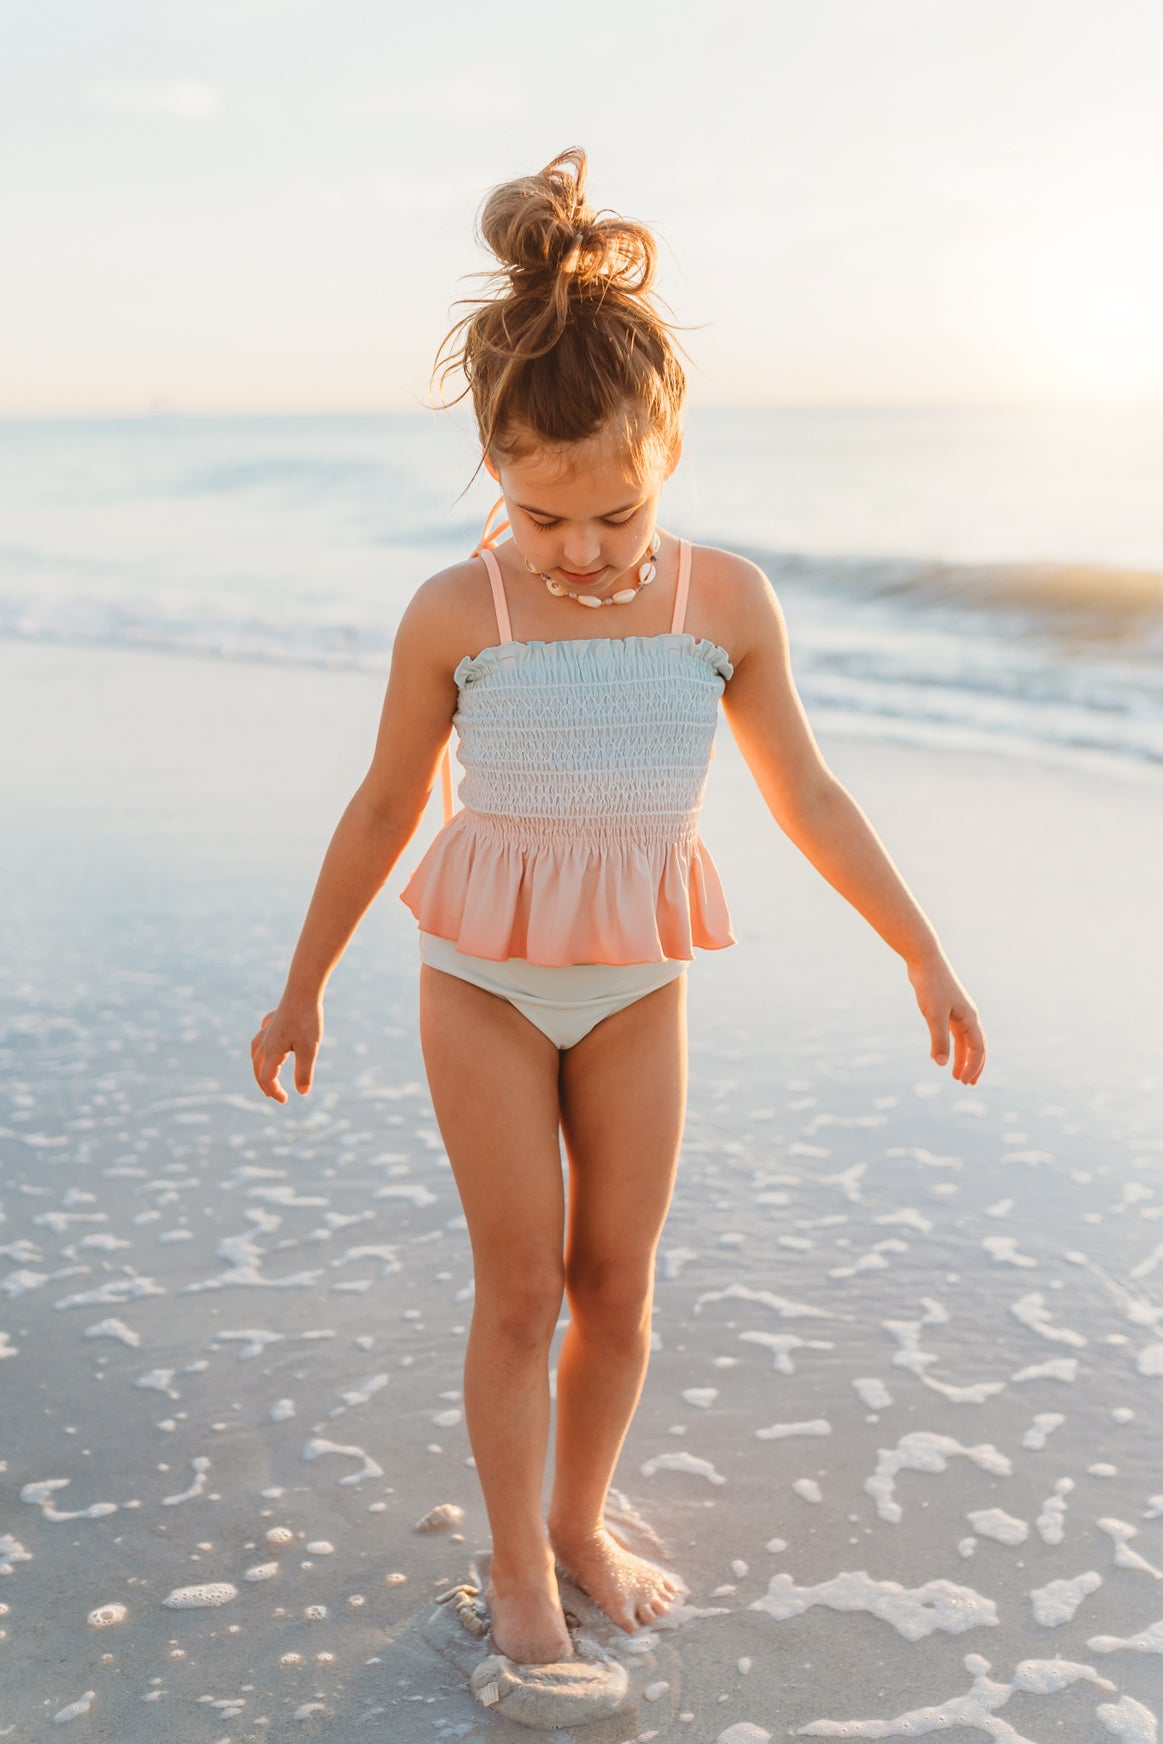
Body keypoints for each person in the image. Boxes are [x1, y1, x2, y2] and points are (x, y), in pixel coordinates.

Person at [250, 146, 986, 1674]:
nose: (579, 557)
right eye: (540, 517)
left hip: (644, 980)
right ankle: (518, 1564)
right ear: (495, 474)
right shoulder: (462, 613)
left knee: (618, 1286)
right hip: (485, 986)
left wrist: (920, 948)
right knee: (520, 1287)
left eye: (616, 516)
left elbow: (811, 797)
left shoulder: (727, 604)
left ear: (670, 450)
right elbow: (384, 809)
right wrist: (301, 983)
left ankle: (582, 1517)